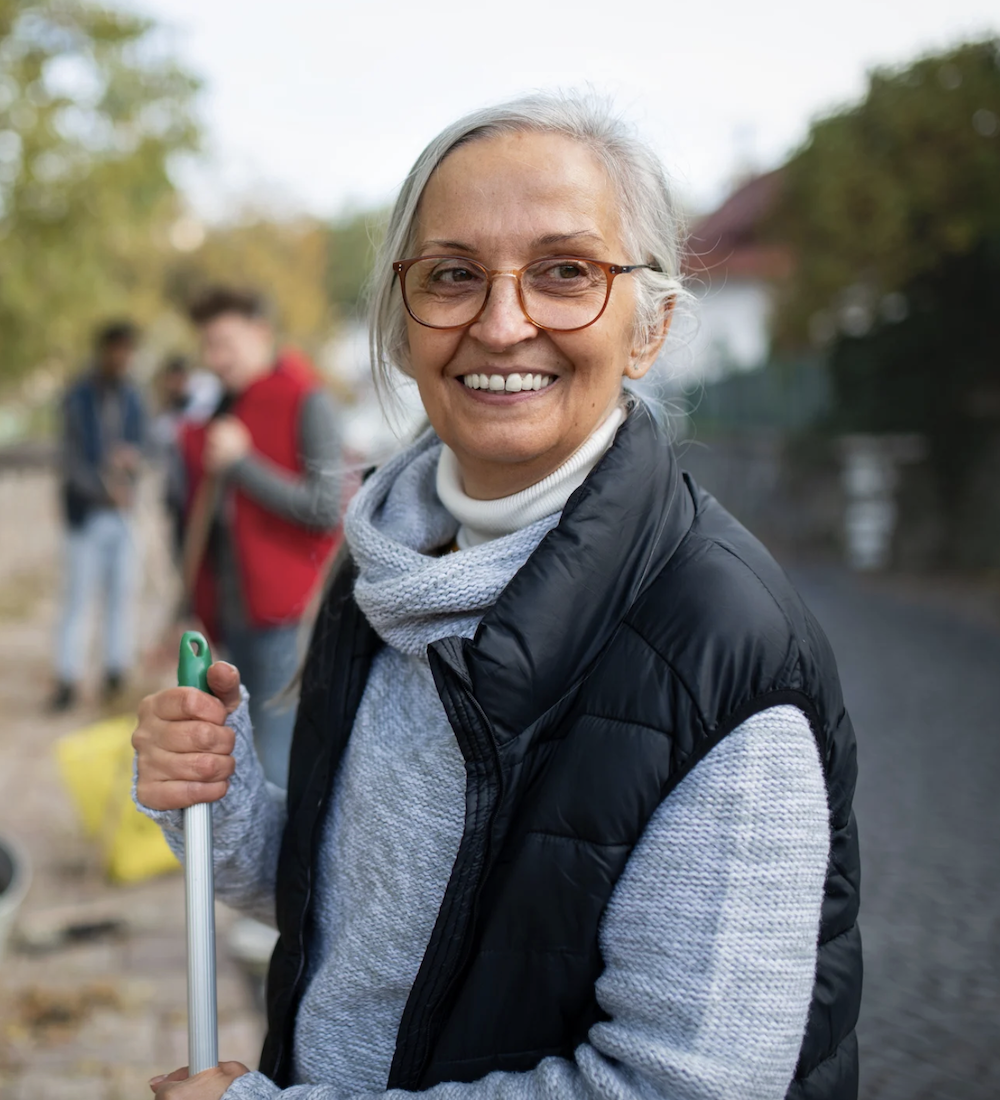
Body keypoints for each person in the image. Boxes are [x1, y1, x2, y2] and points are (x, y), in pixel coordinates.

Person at [133, 95, 861, 1100]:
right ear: (401, 324)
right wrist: (218, 800)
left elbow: (678, 1087)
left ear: (649, 329)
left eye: (566, 271)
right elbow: (354, 903)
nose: (502, 320)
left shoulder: (720, 651)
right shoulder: (381, 563)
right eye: (452, 275)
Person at [177, 288, 342, 788]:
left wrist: (241, 464)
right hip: (231, 609)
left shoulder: (308, 398)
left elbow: (325, 508)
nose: (215, 358)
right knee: (237, 742)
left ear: (261, 333)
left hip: (286, 613)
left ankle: (282, 866)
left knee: (275, 755)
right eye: (207, 346)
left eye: (224, 343)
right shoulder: (225, 407)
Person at [52, 320, 145, 711]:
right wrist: (105, 489)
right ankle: (68, 678)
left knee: (122, 596)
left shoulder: (135, 399)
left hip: (123, 518)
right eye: (117, 349)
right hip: (86, 517)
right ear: (104, 350)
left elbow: (147, 448)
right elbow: (70, 464)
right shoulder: (77, 398)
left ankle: (114, 672)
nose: (122, 358)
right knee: (78, 599)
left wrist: (132, 464)